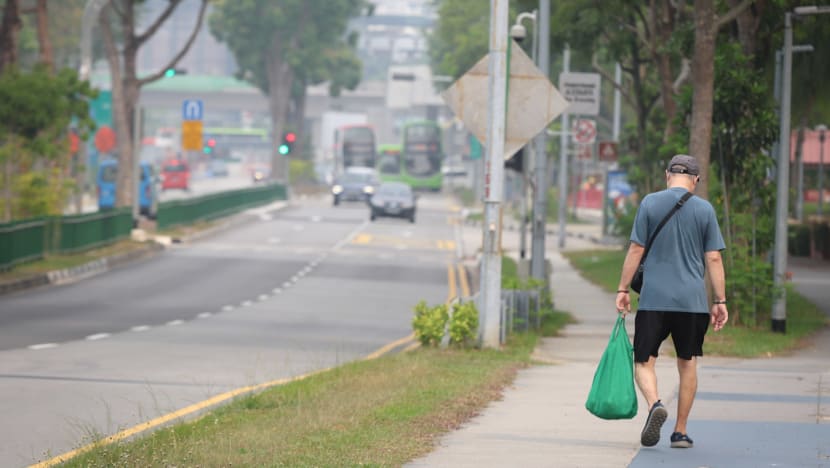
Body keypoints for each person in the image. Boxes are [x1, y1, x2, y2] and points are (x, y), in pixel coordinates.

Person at [614, 154, 729, 449]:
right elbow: (714, 258)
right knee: (687, 363)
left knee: (643, 361)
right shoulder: (705, 209)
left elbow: (636, 249)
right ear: (696, 180)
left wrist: (623, 289)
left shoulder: (650, 203)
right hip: (692, 302)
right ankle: (680, 432)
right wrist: (720, 300)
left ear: (667, 175)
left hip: (654, 299)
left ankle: (655, 405)